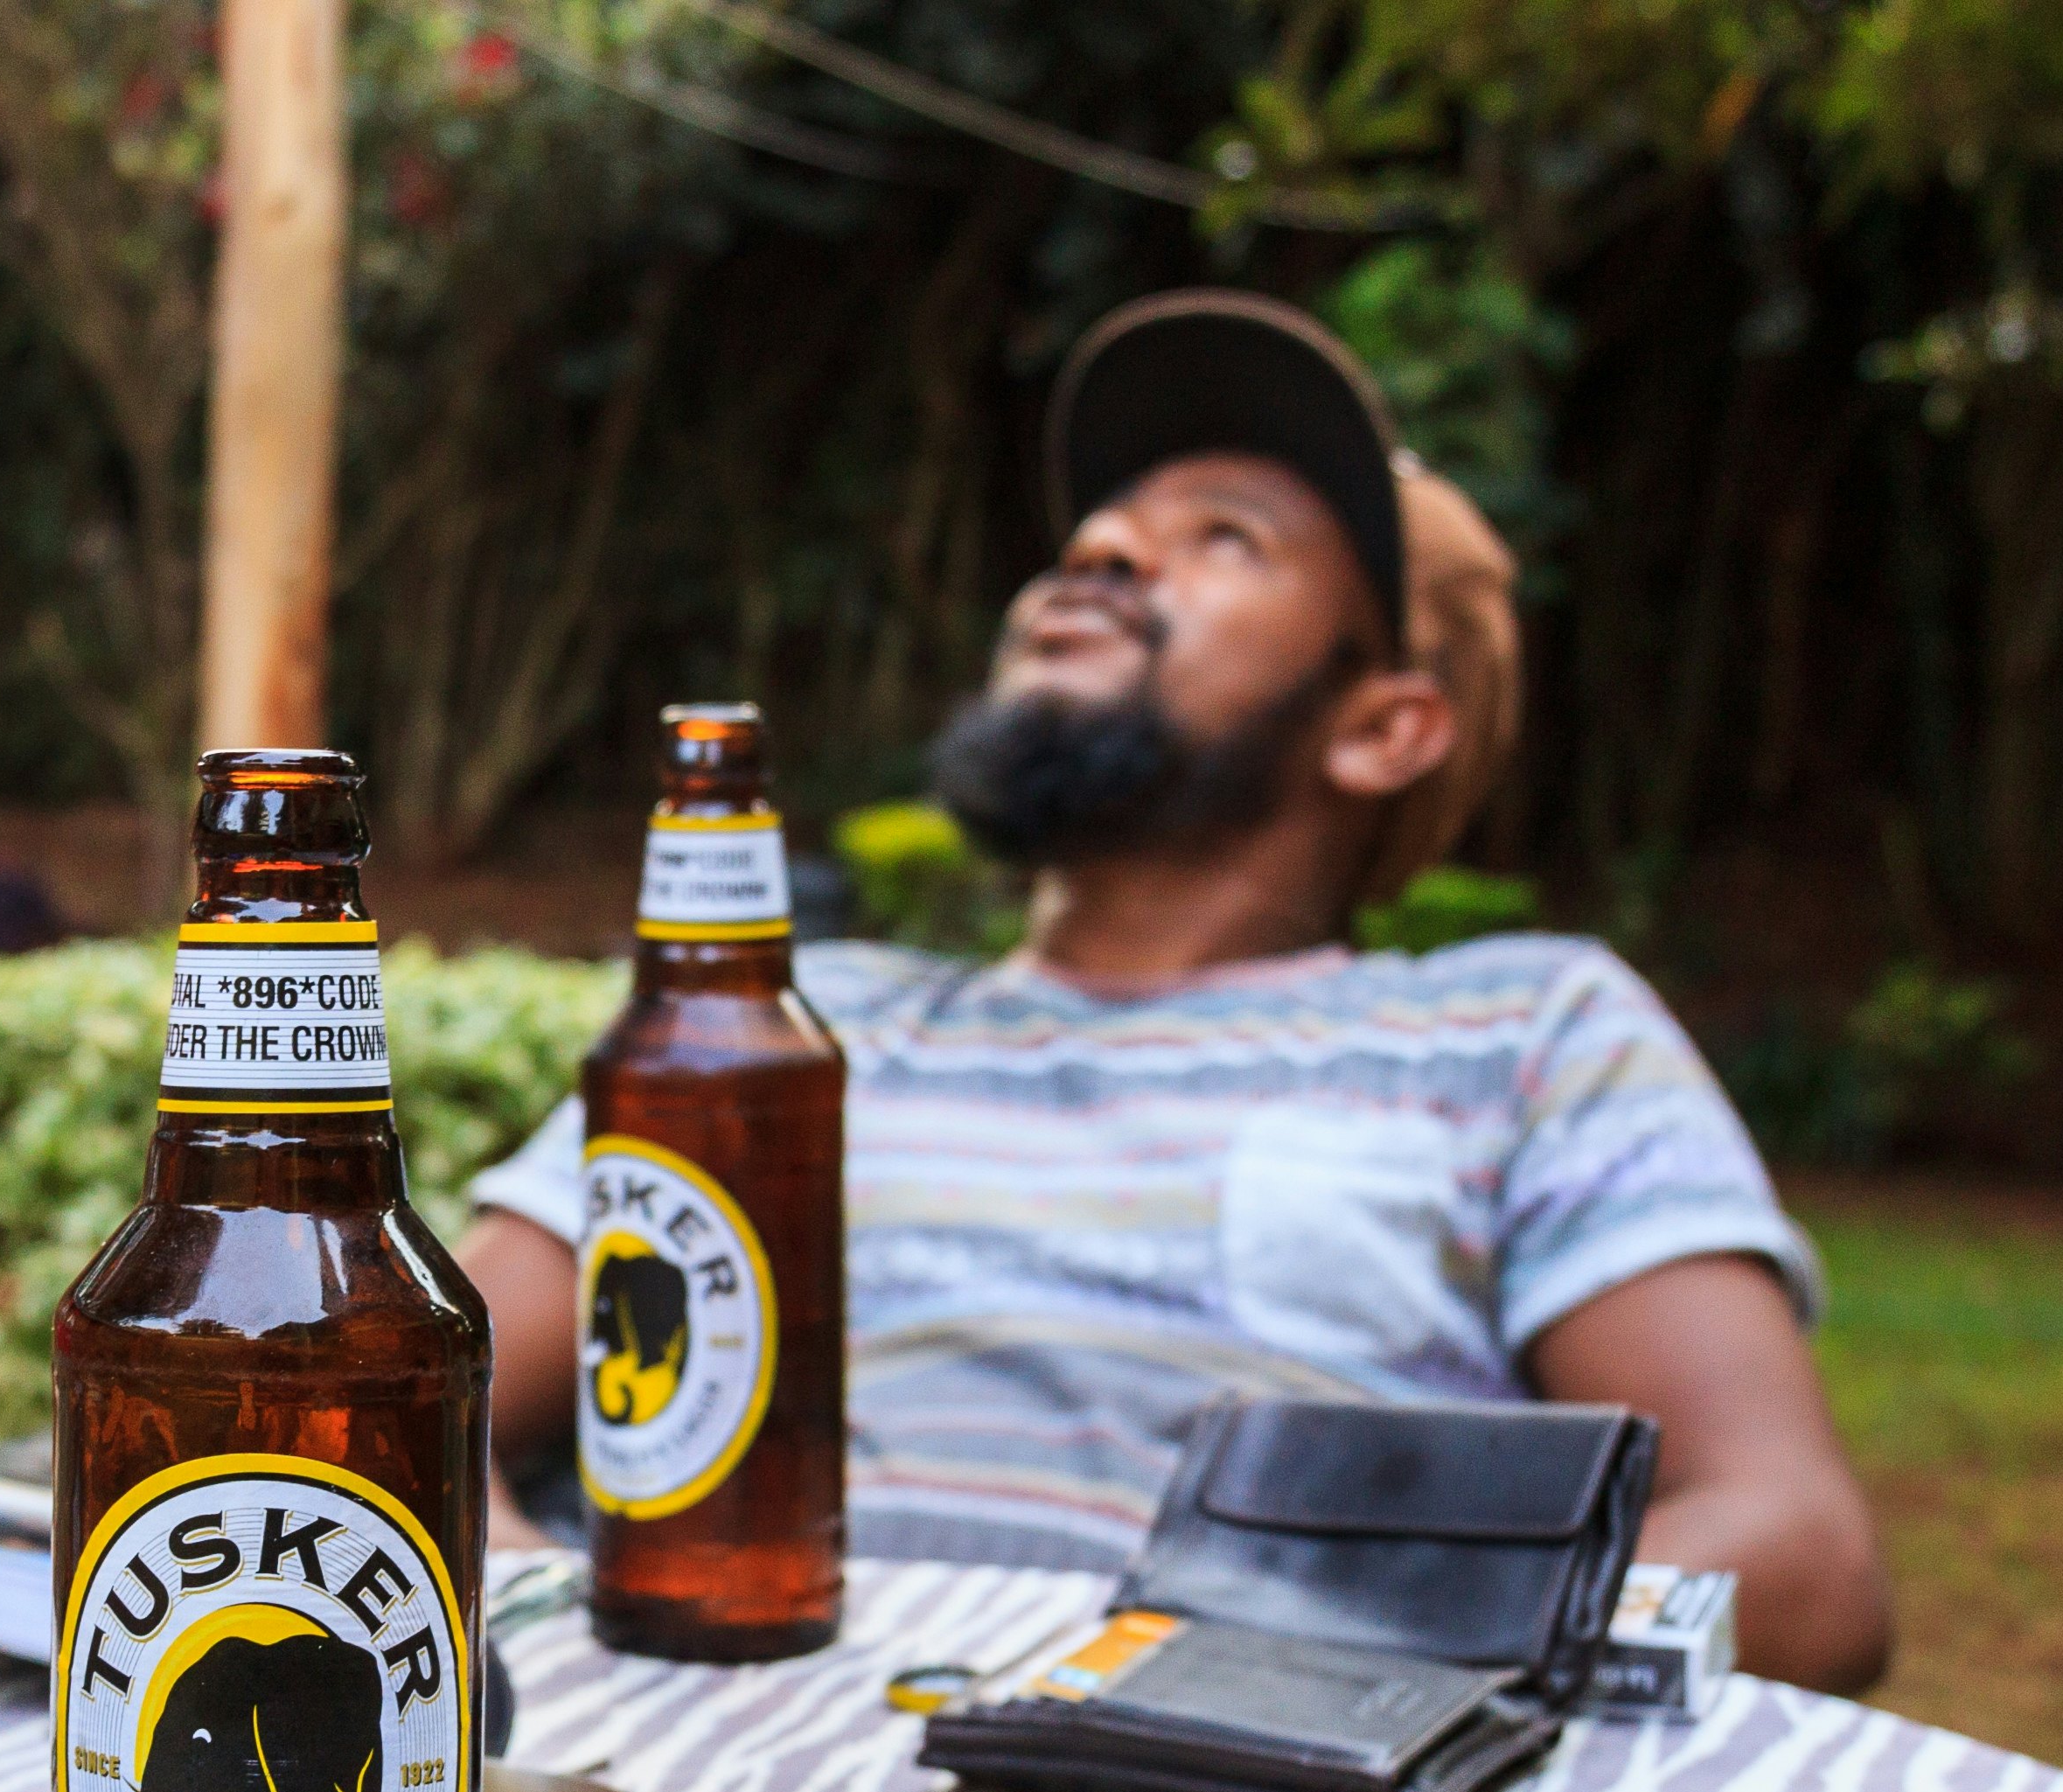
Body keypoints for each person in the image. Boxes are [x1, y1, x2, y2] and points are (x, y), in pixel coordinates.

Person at [463, 291, 1892, 1691]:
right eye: (1105, 525)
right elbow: (414, 1403)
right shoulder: (793, 1016)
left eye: (1226, 539)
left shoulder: (1524, 1036)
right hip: (716, 1740)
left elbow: (1799, 1557)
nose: (1098, 547)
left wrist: (1285, 1698)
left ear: (1384, 727)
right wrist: (568, 1662)